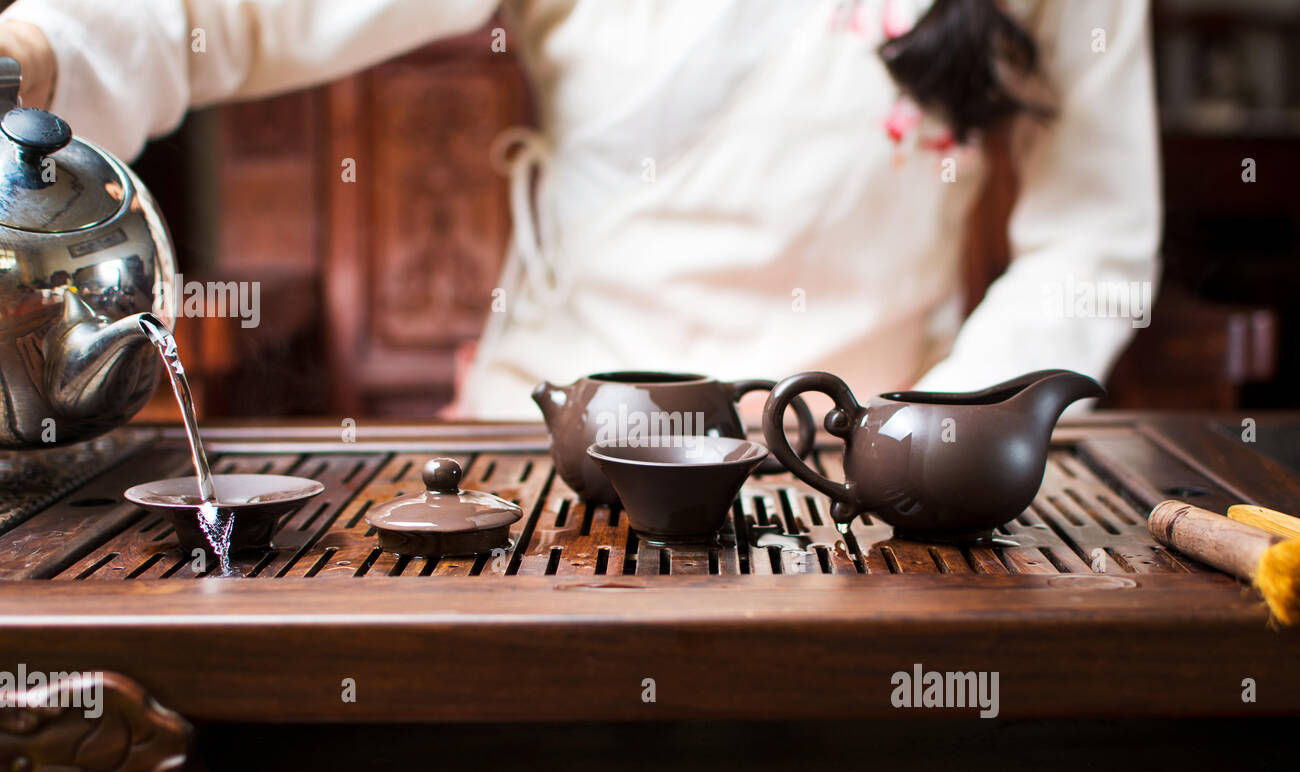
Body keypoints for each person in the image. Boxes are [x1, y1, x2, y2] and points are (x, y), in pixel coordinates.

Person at [0, 0, 1160, 419]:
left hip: (854, 448)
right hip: (547, 436)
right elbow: (246, 10)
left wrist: (934, 435)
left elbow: (1092, 237)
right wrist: (48, 53)